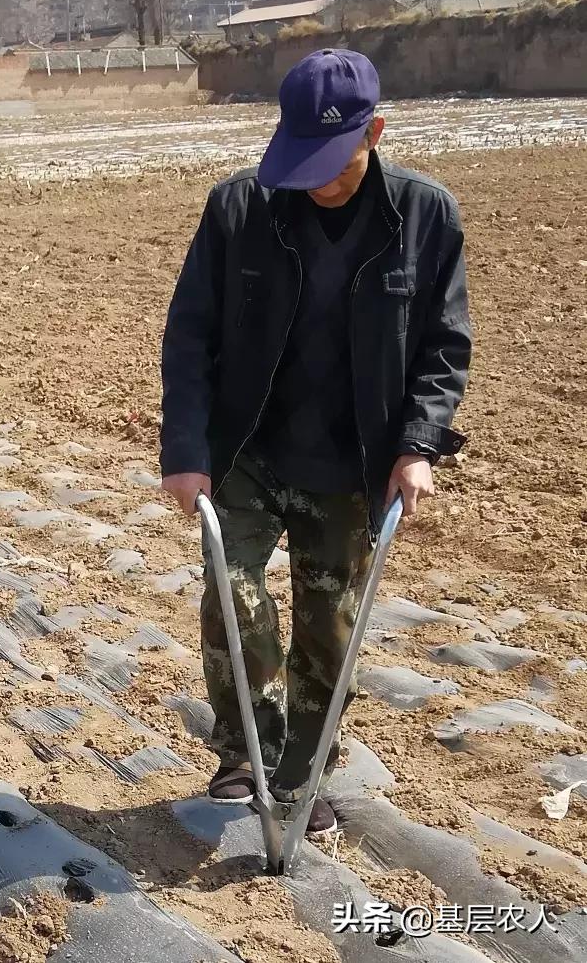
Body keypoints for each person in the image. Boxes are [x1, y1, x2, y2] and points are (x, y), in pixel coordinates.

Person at [158, 49, 471, 834]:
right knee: (233, 593)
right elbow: (190, 333)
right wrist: (185, 452)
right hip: (247, 452)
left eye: (333, 163)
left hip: (351, 461)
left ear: (377, 130)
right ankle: (248, 755)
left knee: (329, 626)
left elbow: (443, 343)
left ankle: (303, 775)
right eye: (302, 160)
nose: (315, 180)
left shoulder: (426, 215)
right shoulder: (239, 208)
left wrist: (418, 446)